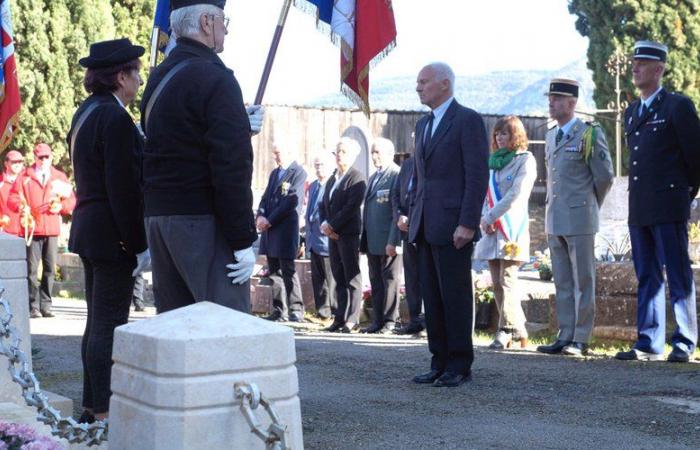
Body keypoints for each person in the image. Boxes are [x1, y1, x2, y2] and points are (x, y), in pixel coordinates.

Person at [140, 0, 264, 313]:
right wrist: (241, 239)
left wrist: (240, 124)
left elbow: (180, 143)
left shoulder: (159, 78)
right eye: (224, 22)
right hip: (201, 222)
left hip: (161, 219)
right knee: (223, 330)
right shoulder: (216, 78)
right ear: (207, 22)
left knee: (177, 333)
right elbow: (230, 166)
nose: (226, 30)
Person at [68, 38, 151, 422]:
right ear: (121, 76)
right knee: (108, 324)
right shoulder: (115, 117)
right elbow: (123, 188)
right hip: (110, 232)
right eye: (136, 73)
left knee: (95, 323)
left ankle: (92, 403)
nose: (139, 81)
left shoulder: (87, 110)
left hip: (90, 228)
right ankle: (102, 410)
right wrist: (136, 243)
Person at [615, 41, 700, 363]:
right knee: (647, 274)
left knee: (677, 273)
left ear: (659, 69)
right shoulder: (632, 111)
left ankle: (684, 341)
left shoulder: (677, 106)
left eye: (642, 63)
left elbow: (695, 157)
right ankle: (649, 341)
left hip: (669, 202)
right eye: (634, 62)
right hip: (640, 206)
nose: (634, 68)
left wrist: (684, 192)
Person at [409, 62, 489, 387]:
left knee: (454, 295)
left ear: (444, 84)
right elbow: (421, 177)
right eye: (417, 82)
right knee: (432, 296)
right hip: (426, 224)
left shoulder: (467, 120)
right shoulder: (423, 123)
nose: (418, 87)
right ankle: (438, 360)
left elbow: (476, 175)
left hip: (454, 225)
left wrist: (468, 222)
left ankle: (459, 363)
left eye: (423, 82)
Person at [536, 79, 614, 357]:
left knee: (583, 279)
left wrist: (589, 205)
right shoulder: (550, 135)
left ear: (572, 103)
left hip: (579, 216)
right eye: (550, 98)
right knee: (562, 280)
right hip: (555, 217)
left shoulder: (588, 134)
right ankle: (564, 333)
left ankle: (581, 337)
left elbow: (604, 177)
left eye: (557, 98)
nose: (551, 103)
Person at [474, 115, 537, 349]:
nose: (500, 138)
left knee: (508, 279)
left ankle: (506, 329)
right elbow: (485, 194)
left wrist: (491, 216)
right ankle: (518, 329)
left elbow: (516, 194)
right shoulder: (494, 161)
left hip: (512, 227)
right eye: (498, 133)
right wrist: (484, 217)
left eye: (505, 133)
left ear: (516, 136)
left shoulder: (525, 160)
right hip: (491, 228)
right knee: (496, 282)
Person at [8, 143, 76, 318]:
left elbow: (72, 201)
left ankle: (46, 305)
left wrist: (61, 206)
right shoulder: (24, 177)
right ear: (35, 158)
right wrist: (21, 207)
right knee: (31, 269)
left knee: (50, 269)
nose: (44, 160)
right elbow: (12, 198)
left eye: (47, 157)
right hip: (32, 228)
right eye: (41, 157)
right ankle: (32, 306)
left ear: (51, 157)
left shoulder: (59, 177)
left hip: (51, 229)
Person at [320, 137, 366, 333]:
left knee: (351, 276)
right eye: (337, 151)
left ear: (353, 155)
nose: (339, 155)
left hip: (347, 233)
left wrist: (333, 225)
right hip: (332, 234)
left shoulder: (357, 177)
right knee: (338, 275)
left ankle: (353, 318)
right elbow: (324, 203)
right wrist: (326, 225)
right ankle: (339, 317)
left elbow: (351, 207)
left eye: (343, 151)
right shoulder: (332, 177)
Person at [257, 141, 307, 322]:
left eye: (278, 153)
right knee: (273, 271)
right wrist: (260, 216)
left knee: (288, 269)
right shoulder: (275, 173)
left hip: (285, 229)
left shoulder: (298, 172)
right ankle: (279, 310)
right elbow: (265, 198)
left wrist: (270, 220)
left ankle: (296, 310)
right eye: (274, 153)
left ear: (288, 151)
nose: (275, 156)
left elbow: (290, 202)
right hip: (270, 230)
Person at [360, 138, 401, 334]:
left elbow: (396, 211)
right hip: (372, 238)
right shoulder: (374, 177)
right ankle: (377, 320)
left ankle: (390, 320)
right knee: (375, 280)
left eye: (378, 152)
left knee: (390, 280)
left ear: (389, 153)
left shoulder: (395, 175)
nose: (375, 157)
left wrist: (393, 240)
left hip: (388, 238)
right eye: (373, 153)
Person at [392, 154, 424, 335]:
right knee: (411, 276)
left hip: (424, 226)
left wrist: (413, 218)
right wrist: (399, 216)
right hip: (406, 228)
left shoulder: (429, 160)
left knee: (426, 276)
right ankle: (414, 319)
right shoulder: (407, 165)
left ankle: (427, 321)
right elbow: (396, 194)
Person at [305, 151, 337, 320]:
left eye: (322, 165)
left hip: (326, 239)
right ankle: (322, 311)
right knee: (318, 280)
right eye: (317, 165)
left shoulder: (332, 184)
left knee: (330, 280)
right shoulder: (313, 186)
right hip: (313, 239)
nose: (319, 168)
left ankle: (334, 311)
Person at [0, 150, 24, 235]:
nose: (18, 165)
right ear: (6, 163)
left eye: (20, 162)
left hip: (24, 232)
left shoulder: (27, 182)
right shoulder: (1, 183)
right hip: (4, 232)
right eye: (14, 162)